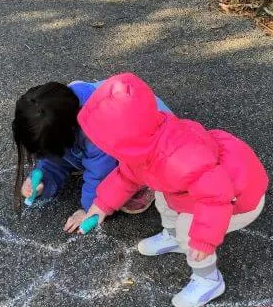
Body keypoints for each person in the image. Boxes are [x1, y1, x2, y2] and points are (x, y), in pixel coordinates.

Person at [77, 73, 269, 307]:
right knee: (162, 196)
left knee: (189, 231)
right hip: (200, 189)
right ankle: (173, 237)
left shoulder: (180, 158)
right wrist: (102, 204)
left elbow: (216, 197)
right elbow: (125, 176)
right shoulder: (143, 148)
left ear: (126, 139)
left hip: (238, 196)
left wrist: (203, 239)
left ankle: (208, 279)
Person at [11, 80, 171, 231]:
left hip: (159, 140)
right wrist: (43, 179)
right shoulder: (57, 111)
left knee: (124, 173)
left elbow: (100, 172)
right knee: (73, 152)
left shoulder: (98, 129)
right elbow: (56, 156)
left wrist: (88, 208)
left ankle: (145, 182)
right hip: (101, 131)